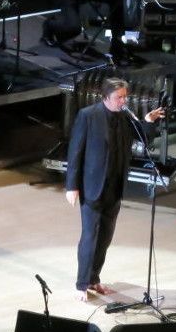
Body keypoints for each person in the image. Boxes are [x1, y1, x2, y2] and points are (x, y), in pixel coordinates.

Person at [65, 77, 165, 301]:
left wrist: (148, 121)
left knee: (105, 238)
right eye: (119, 97)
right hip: (92, 187)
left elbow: (142, 137)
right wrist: (72, 186)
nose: (124, 101)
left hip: (115, 186)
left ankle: (94, 278)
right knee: (90, 236)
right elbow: (75, 152)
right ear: (106, 97)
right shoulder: (88, 116)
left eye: (125, 96)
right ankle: (82, 283)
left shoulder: (125, 117)